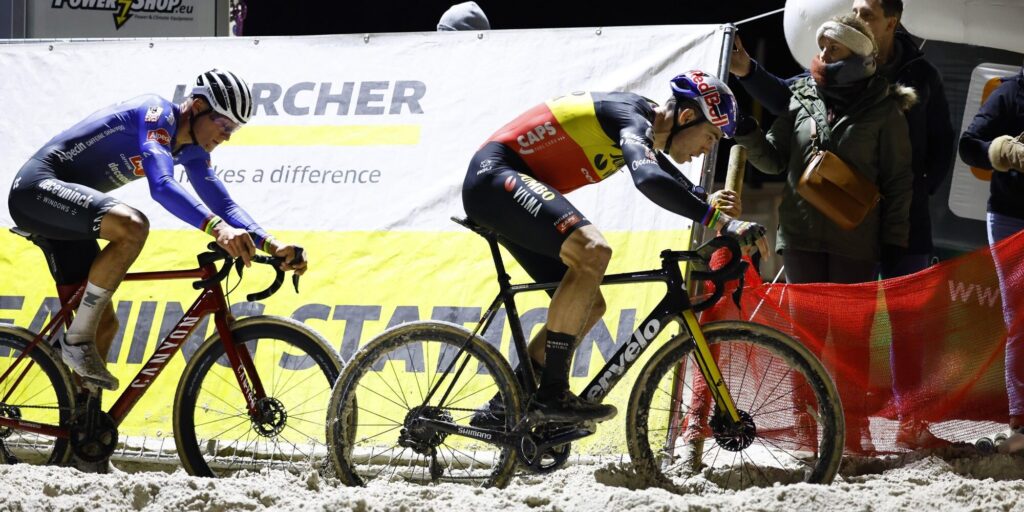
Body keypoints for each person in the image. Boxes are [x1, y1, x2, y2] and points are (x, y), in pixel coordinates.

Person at [462, 70, 769, 423]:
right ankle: (551, 393)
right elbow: (649, 177)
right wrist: (719, 221)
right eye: (711, 136)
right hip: (493, 176)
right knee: (593, 249)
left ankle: (508, 403)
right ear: (686, 117)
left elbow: (659, 168)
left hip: (506, 187)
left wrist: (703, 198)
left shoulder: (643, 126)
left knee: (590, 305)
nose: (707, 149)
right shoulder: (630, 117)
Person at [730, 0, 954, 450]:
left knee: (852, 342)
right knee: (804, 337)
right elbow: (774, 159)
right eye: (823, 47)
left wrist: (892, 237)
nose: (824, 56)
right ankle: (807, 429)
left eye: (835, 49)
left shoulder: (891, 101)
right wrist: (748, 132)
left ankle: (856, 431)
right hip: (799, 236)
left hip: (857, 239)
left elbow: (906, 175)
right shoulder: (802, 95)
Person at [7, 69, 308, 392]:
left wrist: (273, 245)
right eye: (223, 124)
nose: (227, 136)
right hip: (36, 190)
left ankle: (82, 424)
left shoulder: (192, 150)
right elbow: (162, 186)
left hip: (68, 218)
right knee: (133, 227)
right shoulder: (156, 114)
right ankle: (75, 341)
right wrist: (218, 230)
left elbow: (225, 206)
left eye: (233, 129)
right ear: (196, 107)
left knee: (105, 326)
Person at [958, 65, 1024, 451]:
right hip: (1012, 218)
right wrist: (1000, 153)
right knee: (1021, 317)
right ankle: (1020, 422)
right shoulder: (1011, 92)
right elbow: (969, 145)